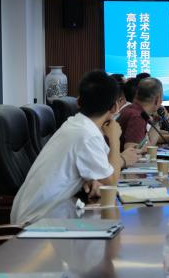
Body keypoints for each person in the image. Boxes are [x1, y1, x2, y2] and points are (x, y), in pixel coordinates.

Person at [11, 70, 126, 225]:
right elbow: (110, 181)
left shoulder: (77, 125)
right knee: (115, 231)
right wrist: (115, 139)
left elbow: (103, 173)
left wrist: (92, 180)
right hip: (38, 224)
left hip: (49, 214)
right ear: (114, 107)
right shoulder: (87, 134)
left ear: (78, 101)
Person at [118, 77, 169, 151]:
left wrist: (157, 121)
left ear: (136, 95)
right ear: (157, 99)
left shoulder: (133, 110)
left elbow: (149, 143)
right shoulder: (136, 116)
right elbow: (132, 150)